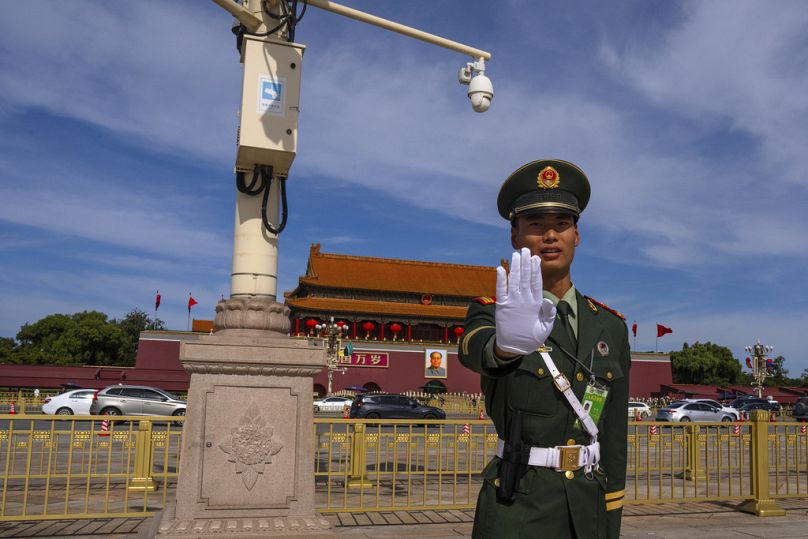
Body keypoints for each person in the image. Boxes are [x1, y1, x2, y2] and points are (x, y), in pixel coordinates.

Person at [459, 159, 630, 538]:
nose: (550, 235)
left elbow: (614, 433)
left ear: (577, 235)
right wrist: (505, 346)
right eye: (536, 225)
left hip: (587, 500)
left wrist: (611, 509)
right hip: (519, 501)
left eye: (562, 224)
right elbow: (473, 349)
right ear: (515, 237)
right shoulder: (491, 311)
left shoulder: (610, 326)